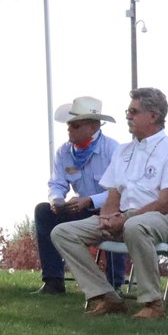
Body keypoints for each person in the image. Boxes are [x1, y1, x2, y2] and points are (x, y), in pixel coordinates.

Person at [52, 87, 168, 320]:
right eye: (128, 111)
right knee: (62, 232)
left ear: (153, 116)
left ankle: (153, 304)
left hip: (165, 219)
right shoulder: (123, 151)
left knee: (135, 226)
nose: (128, 116)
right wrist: (107, 218)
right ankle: (106, 296)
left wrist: (125, 218)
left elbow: (167, 202)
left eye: (133, 111)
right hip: (123, 218)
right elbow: (113, 194)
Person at [33, 96, 122, 295]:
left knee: (114, 217)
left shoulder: (112, 149)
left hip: (106, 208)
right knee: (43, 212)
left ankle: (114, 283)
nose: (69, 129)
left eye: (75, 125)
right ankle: (53, 281)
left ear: (92, 127)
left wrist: (90, 200)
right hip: (79, 209)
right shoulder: (64, 152)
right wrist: (56, 200)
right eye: (69, 125)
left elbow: (120, 190)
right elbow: (56, 183)